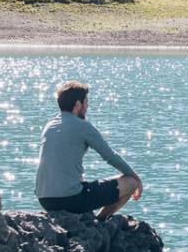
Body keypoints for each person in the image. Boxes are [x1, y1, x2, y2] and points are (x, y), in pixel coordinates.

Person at [35, 80, 143, 220]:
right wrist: (136, 178)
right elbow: (110, 156)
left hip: (45, 200)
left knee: (77, 179)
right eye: (86, 102)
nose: (87, 106)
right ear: (78, 104)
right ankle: (100, 222)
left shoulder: (49, 126)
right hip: (71, 200)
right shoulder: (83, 127)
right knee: (131, 183)